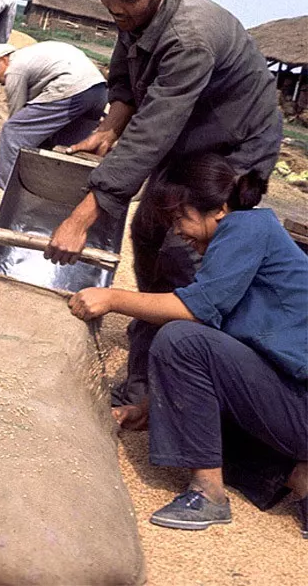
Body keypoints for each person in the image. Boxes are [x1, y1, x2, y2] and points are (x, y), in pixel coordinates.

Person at [45, 0, 282, 406]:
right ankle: (141, 382)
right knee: (149, 233)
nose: (115, 5)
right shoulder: (132, 11)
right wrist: (111, 124)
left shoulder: (191, 36)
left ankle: (186, 389)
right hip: (189, 137)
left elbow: (153, 130)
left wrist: (80, 218)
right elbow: (126, 77)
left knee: (184, 250)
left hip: (234, 147)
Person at [68, 153, 308, 535]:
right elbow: (230, 357)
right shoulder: (246, 235)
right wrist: (155, 407)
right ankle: (297, 477)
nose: (177, 230)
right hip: (293, 397)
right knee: (195, 356)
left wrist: (112, 298)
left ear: (218, 210)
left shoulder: (246, 228)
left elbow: (195, 312)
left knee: (181, 338)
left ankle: (208, 493)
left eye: (181, 217)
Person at [0, 41, 108, 189]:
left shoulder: (15, 68)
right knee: (65, 148)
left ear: (3, 59)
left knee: (12, 131)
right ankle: (62, 192)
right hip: (99, 92)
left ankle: (2, 189)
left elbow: (17, 117)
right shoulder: (33, 55)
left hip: (72, 87)